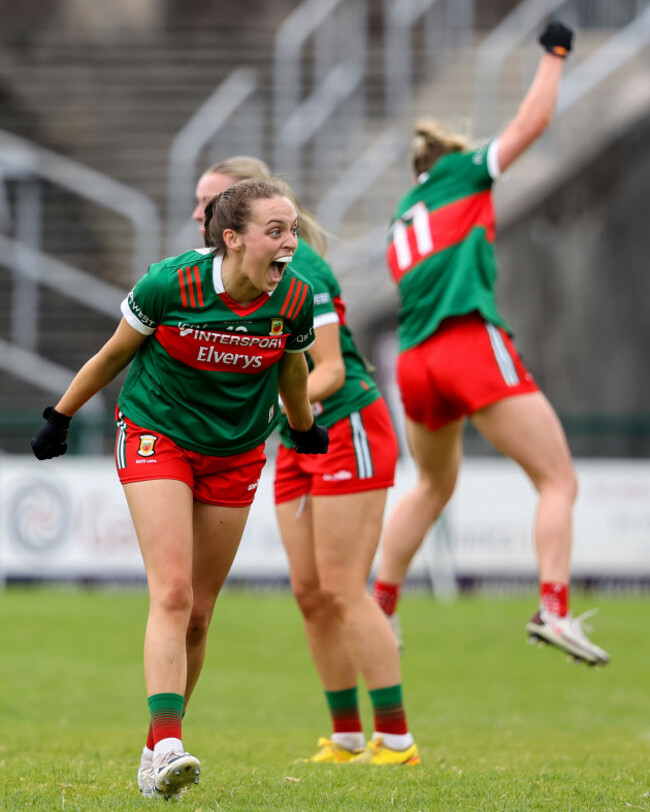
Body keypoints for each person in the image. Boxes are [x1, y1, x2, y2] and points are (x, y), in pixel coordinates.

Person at [31, 178, 329, 800]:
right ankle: (171, 741)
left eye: (294, 230)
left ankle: (152, 753)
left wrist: (303, 429)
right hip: (156, 434)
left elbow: (293, 366)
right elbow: (115, 355)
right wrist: (60, 415)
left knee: (198, 614)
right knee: (171, 590)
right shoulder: (170, 284)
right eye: (276, 231)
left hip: (236, 453)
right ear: (232, 238)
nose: (290, 244)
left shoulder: (295, 298)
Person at [372, 21, 610, 667]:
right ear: (449, 159)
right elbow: (531, 121)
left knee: (427, 487)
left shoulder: (401, 217)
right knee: (557, 480)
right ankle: (554, 609)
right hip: (468, 343)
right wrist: (555, 53)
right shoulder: (464, 174)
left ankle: (380, 607)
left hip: (416, 363)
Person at [193, 157, 420, 765]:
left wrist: (252, 405)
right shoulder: (216, 278)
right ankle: (347, 737)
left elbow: (332, 371)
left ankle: (397, 740)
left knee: (345, 587)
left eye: (209, 202)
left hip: (346, 426)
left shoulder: (300, 270)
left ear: (237, 217)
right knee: (310, 592)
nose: (197, 214)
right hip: (298, 438)